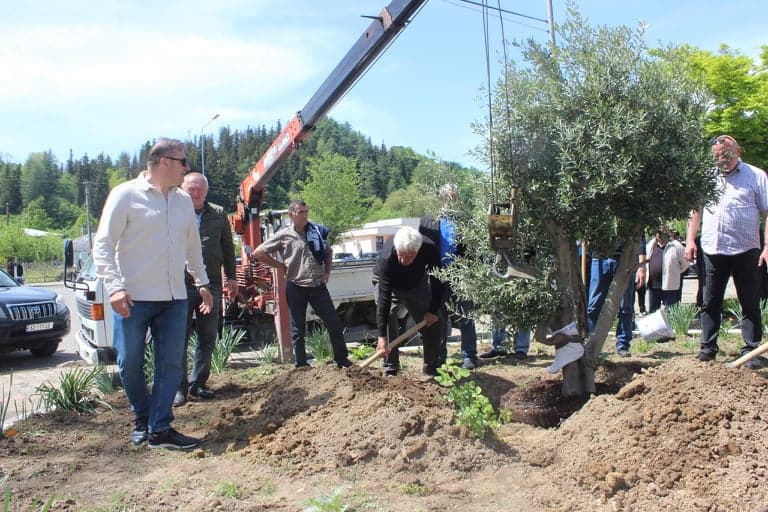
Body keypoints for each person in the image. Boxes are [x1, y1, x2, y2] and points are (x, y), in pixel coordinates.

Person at [93, 138, 213, 450]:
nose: (186, 168)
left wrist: (202, 283)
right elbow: (103, 245)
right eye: (182, 162)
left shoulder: (183, 201)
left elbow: (192, 247)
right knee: (129, 362)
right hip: (133, 298)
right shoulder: (125, 196)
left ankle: (160, 428)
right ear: (163, 162)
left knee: (171, 365)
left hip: (174, 298)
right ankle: (142, 417)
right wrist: (115, 287)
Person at [685, 134, 768, 368]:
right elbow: (695, 210)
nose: (723, 159)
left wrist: (767, 247)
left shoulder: (756, 176)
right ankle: (707, 348)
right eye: (718, 156)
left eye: (727, 154)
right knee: (710, 300)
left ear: (738, 151)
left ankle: (751, 350)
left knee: (749, 301)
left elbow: (767, 213)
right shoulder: (706, 177)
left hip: (747, 248)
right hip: (713, 248)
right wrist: (690, 240)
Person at [253, 200, 352, 369]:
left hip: (318, 286)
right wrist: (279, 266)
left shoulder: (316, 232)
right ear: (292, 215)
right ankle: (301, 364)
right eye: (301, 212)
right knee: (298, 328)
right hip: (296, 286)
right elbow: (258, 252)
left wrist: (327, 271)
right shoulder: (284, 235)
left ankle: (342, 360)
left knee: (333, 322)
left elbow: (328, 251)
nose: (305, 215)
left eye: (306, 211)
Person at [174, 172, 238, 407]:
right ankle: (178, 388)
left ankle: (197, 383)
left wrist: (232, 277)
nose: (196, 192)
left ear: (207, 191)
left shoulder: (219, 214)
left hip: (211, 283)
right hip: (180, 283)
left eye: (200, 188)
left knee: (208, 335)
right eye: (191, 188)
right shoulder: (174, 210)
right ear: (182, 188)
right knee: (178, 336)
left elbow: (228, 249)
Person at [375, 225, 444, 377]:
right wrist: (381, 337)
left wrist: (432, 311)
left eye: (409, 256)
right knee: (389, 318)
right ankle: (390, 367)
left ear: (418, 251)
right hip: (390, 285)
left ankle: (430, 367)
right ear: (396, 249)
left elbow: (438, 280)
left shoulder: (429, 248)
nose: (404, 260)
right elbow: (384, 300)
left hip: (416, 285)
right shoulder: (387, 258)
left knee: (434, 322)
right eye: (401, 255)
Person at [428, 183, 479, 370]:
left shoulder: (466, 221)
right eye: (448, 197)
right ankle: (440, 357)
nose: (451, 200)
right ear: (442, 199)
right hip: (438, 277)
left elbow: (475, 250)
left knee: (465, 316)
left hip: (461, 277)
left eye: (454, 197)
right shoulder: (430, 221)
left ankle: (470, 356)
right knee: (439, 318)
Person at [586, 241, 646, 357]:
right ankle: (591, 344)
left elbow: (640, 238)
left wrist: (641, 267)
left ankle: (623, 345)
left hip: (626, 259)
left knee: (626, 306)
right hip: (599, 258)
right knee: (593, 305)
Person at [645, 226, 688, 313]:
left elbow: (685, 263)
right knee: (653, 314)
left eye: (663, 232)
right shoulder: (650, 245)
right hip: (653, 286)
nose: (660, 235)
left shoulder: (676, 246)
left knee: (672, 315)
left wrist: (675, 273)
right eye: (658, 233)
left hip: (671, 287)